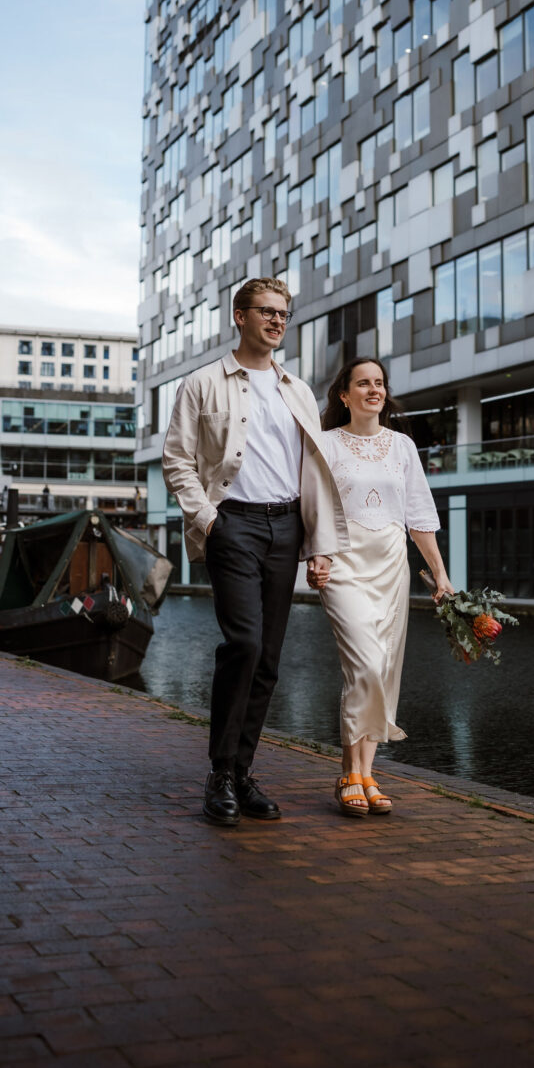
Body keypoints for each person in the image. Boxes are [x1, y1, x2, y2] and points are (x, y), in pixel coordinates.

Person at [163, 278, 349, 826]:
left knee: (267, 658)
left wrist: (319, 544)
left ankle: (242, 774)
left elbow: (314, 472)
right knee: (243, 643)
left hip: (286, 526)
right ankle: (219, 773)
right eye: (266, 312)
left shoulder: (299, 390)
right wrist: (208, 519)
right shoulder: (202, 383)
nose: (276, 322)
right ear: (239, 317)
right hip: (233, 525)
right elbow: (177, 460)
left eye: (284, 315)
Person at [308, 357, 454, 817]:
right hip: (344, 563)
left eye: (380, 383)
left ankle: (362, 774)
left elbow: (420, 516)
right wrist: (317, 555)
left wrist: (441, 577)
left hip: (392, 564)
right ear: (343, 395)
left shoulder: (403, 447)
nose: (374, 389)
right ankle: (353, 772)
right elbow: (313, 506)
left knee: (383, 669)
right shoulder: (326, 444)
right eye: (363, 383)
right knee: (366, 663)